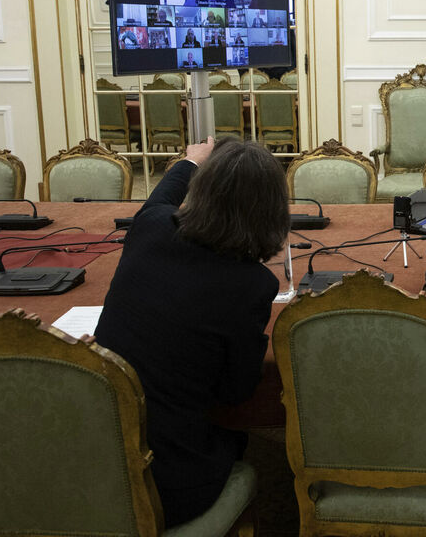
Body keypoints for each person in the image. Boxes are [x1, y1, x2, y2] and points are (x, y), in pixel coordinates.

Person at [95, 137, 288, 526]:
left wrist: (190, 161)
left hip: (94, 456)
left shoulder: (150, 228)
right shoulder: (252, 284)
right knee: (240, 440)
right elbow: (235, 393)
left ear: (200, 191)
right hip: (164, 485)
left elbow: (161, 198)